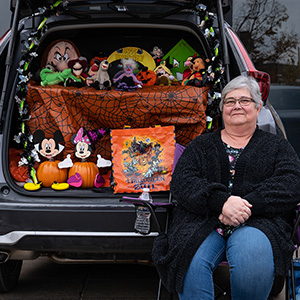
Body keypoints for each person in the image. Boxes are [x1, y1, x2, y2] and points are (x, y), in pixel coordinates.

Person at [152, 75, 300, 300]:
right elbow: (183, 182)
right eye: (230, 101)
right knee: (189, 263)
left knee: (252, 259)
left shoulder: (277, 146)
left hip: (259, 222)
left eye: (245, 100)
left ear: (258, 107)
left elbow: (291, 182)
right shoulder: (201, 145)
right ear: (222, 109)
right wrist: (221, 202)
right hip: (202, 221)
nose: (237, 106)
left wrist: (246, 205)